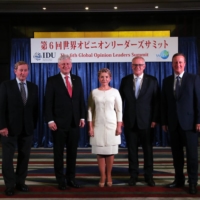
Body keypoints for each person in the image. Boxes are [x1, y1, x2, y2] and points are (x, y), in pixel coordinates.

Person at [44, 54, 85, 190]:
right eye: (63, 64)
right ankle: (60, 180)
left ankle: (71, 178)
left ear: (71, 65)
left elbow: (80, 100)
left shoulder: (77, 79)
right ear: (58, 66)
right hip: (58, 124)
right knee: (59, 153)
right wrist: (50, 120)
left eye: (68, 64)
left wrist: (82, 117)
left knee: (72, 153)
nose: (66, 66)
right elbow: (48, 102)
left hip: (74, 123)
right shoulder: (52, 80)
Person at [161, 53, 200, 194]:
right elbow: (164, 103)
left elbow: (198, 101)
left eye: (180, 62)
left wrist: (198, 120)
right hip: (173, 124)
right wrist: (164, 122)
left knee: (192, 155)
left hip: (190, 124)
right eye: (175, 62)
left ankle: (193, 182)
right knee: (176, 155)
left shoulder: (194, 79)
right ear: (172, 64)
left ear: (185, 64)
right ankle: (178, 180)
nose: (178, 65)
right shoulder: (166, 81)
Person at [119, 56, 160, 187]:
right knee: (132, 150)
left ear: (144, 66)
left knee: (148, 150)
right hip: (129, 121)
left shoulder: (152, 81)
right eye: (135, 65)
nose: (137, 67)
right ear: (131, 66)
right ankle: (133, 175)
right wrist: (120, 119)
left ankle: (149, 176)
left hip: (147, 122)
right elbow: (120, 102)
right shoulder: (125, 80)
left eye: (140, 65)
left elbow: (156, 103)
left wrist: (154, 119)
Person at [0, 61, 38, 196]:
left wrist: (33, 125)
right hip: (8, 129)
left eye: (25, 70)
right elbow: (1, 107)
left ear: (28, 71)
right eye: (20, 70)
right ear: (15, 71)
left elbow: (35, 109)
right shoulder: (6, 85)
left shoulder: (34, 87)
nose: (23, 73)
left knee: (24, 157)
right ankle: (9, 185)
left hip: (27, 129)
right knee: (8, 158)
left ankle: (20, 182)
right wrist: (2, 126)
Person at [88, 68, 122, 187]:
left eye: (106, 77)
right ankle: (102, 175)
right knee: (100, 152)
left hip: (112, 125)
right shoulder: (94, 92)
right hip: (97, 125)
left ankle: (109, 175)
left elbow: (119, 110)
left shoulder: (115, 92)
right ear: (98, 78)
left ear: (110, 78)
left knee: (110, 152)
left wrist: (119, 126)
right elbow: (90, 110)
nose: (104, 79)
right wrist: (90, 127)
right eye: (102, 77)